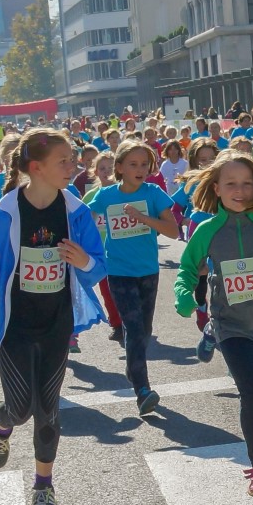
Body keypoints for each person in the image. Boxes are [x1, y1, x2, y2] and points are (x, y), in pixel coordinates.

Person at [0, 129, 108, 505]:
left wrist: (83, 261)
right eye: (63, 161)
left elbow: (99, 266)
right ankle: (1, 422)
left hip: (56, 323)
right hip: (14, 324)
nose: (73, 166)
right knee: (20, 409)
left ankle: (43, 487)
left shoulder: (75, 211)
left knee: (47, 408)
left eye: (73, 159)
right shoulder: (3, 213)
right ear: (36, 168)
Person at [174, 150, 253, 498]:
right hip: (230, 324)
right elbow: (186, 269)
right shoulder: (207, 230)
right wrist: (184, 294)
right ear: (216, 189)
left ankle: (212, 336)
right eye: (231, 184)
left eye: (247, 183)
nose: (240, 191)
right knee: (252, 392)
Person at [85, 140, 179, 414]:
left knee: (144, 331)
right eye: (133, 164)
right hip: (118, 272)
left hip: (148, 271)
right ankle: (143, 389)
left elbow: (173, 232)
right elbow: (82, 221)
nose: (140, 169)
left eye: (144, 165)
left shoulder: (153, 193)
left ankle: (133, 368)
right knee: (134, 329)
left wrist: (143, 218)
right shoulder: (105, 196)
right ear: (119, 168)